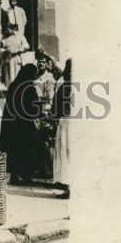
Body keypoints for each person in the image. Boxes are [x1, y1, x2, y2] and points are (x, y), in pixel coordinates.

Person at [0, 62, 42, 185]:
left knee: (13, 150)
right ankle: (26, 176)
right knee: (25, 149)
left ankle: (14, 175)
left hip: (11, 123)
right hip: (23, 124)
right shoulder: (29, 87)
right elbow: (33, 108)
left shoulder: (13, 85)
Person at [50, 58, 72, 199]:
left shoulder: (64, 87)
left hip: (66, 123)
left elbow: (55, 109)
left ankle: (69, 188)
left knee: (66, 154)